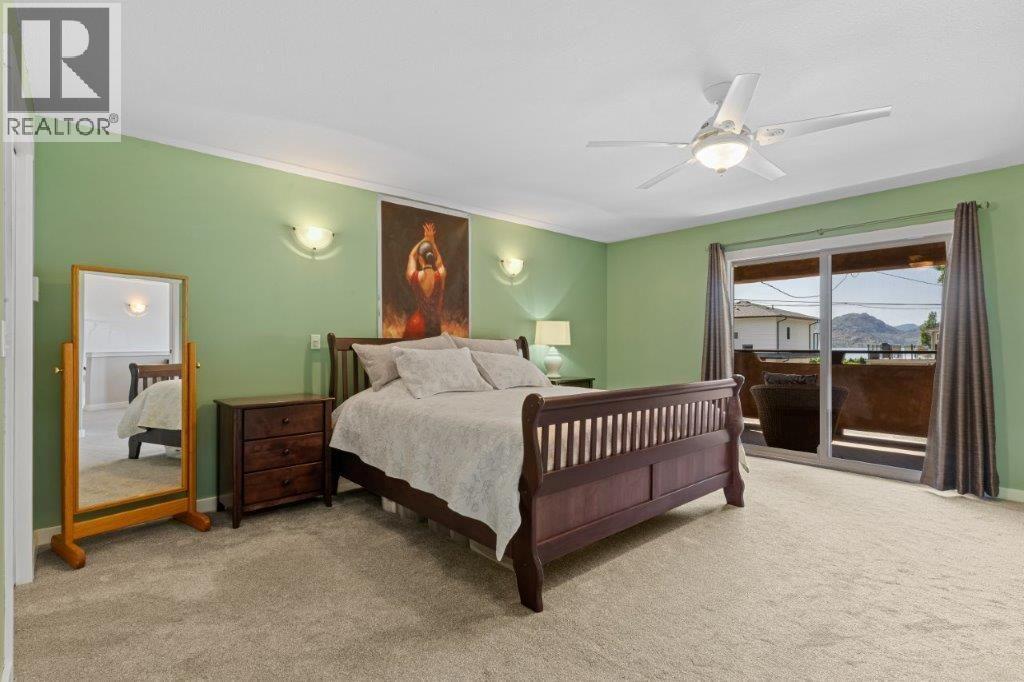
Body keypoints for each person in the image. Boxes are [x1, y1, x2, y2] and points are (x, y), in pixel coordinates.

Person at [404, 222, 446, 338]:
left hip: (417, 324)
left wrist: (425, 238)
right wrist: (432, 241)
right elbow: (440, 261)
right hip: (435, 325)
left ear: (420, 259)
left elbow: (412, 255)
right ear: (432, 257)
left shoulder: (414, 276)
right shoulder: (441, 274)